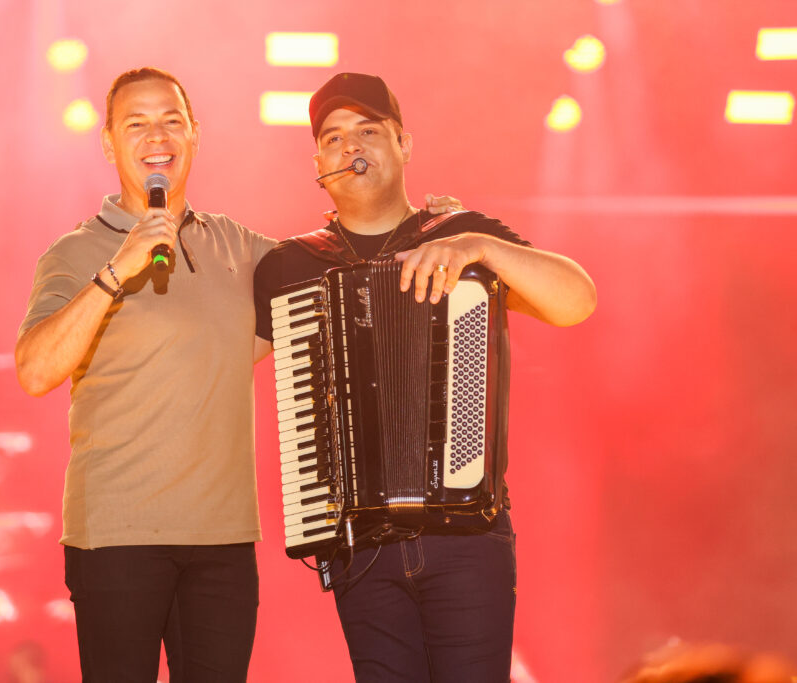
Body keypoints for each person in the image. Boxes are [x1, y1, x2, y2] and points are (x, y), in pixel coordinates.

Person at [16, 66, 465, 682]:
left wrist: (424, 226)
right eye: (137, 123)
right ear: (109, 142)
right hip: (117, 536)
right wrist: (117, 270)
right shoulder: (75, 252)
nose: (157, 136)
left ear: (195, 134)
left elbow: (337, 273)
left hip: (223, 542)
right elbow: (35, 369)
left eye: (172, 121)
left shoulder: (239, 247)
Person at [252, 72, 598, 682]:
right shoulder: (292, 264)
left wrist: (481, 247)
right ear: (318, 164)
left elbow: (577, 300)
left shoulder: (459, 234)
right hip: (358, 546)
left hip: (468, 536)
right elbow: (223, 364)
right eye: (332, 138)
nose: (350, 145)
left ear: (404, 144)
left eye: (368, 130)